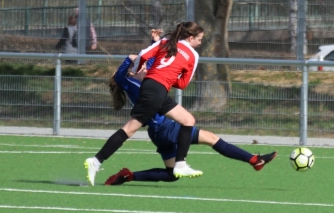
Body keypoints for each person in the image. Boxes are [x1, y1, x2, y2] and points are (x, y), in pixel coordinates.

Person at [102, 52, 276, 184]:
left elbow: (154, 61)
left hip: (158, 132)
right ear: (131, 73)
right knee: (211, 138)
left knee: (171, 175)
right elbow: (127, 71)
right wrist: (131, 58)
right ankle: (254, 160)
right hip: (165, 129)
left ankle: (128, 176)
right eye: (141, 68)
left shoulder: (142, 82)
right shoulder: (132, 84)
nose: (146, 69)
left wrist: (155, 44)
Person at [84, 22, 204, 185]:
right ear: (190, 38)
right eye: (199, 39)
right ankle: (96, 161)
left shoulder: (166, 43)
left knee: (188, 120)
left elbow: (143, 55)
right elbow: (183, 84)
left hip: (153, 88)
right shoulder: (193, 55)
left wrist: (138, 68)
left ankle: (180, 164)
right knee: (129, 129)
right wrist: (169, 76)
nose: (200, 43)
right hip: (157, 91)